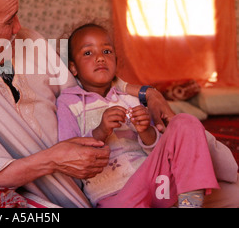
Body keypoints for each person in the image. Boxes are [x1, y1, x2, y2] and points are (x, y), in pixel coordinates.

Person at [0, 0, 238, 208]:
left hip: (126, 169)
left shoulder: (29, 42)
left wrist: (147, 93)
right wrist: (51, 159)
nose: (19, 27)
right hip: (71, 193)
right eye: (8, 20)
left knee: (226, 190)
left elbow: (87, 85)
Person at [57, 23, 220, 207]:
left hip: (158, 185)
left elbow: (155, 148)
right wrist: (101, 131)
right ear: (73, 68)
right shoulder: (69, 103)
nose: (100, 58)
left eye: (107, 51)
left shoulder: (129, 98)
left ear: (116, 61)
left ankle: (190, 202)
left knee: (185, 121)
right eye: (88, 53)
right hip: (115, 195)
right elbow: (70, 154)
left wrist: (145, 131)